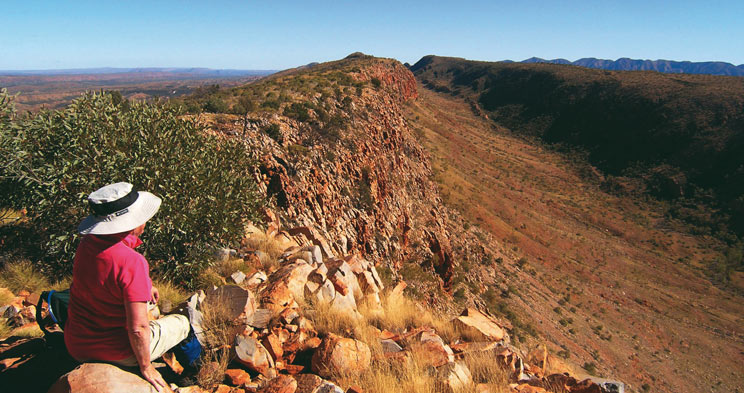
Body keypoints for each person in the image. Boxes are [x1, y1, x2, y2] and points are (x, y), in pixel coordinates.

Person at [64, 182, 191, 392]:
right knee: (184, 323)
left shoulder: (86, 245)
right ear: (132, 223)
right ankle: (194, 375)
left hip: (77, 344)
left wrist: (146, 284)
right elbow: (138, 329)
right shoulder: (132, 262)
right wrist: (146, 366)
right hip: (118, 350)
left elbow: (105, 277)